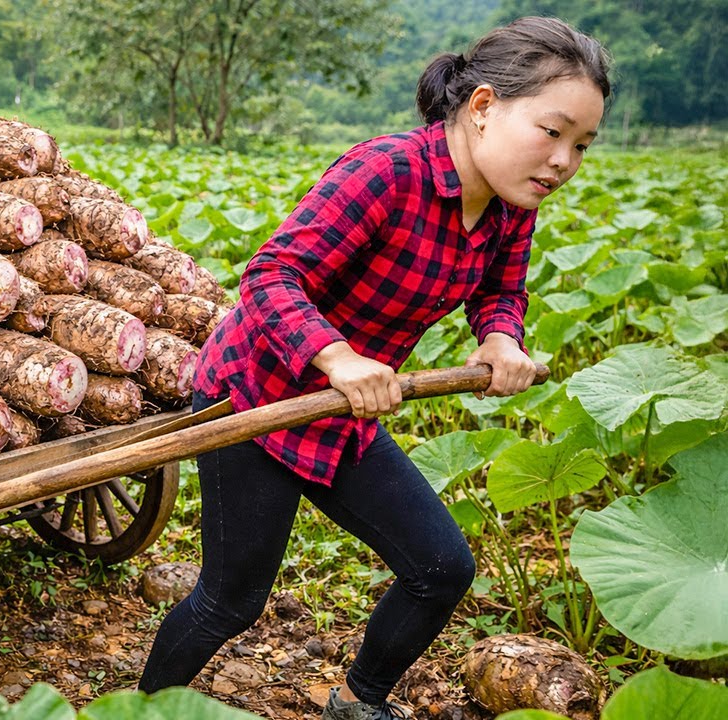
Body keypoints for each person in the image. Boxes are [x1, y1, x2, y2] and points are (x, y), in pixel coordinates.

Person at [136, 16, 611, 720]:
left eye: (582, 145)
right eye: (553, 131)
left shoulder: (513, 205)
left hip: (346, 410)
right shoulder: (385, 173)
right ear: (482, 108)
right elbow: (271, 276)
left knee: (441, 568)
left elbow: (500, 292)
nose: (564, 161)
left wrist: (502, 340)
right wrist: (336, 355)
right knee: (232, 600)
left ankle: (358, 700)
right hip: (255, 398)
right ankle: (139, 711)